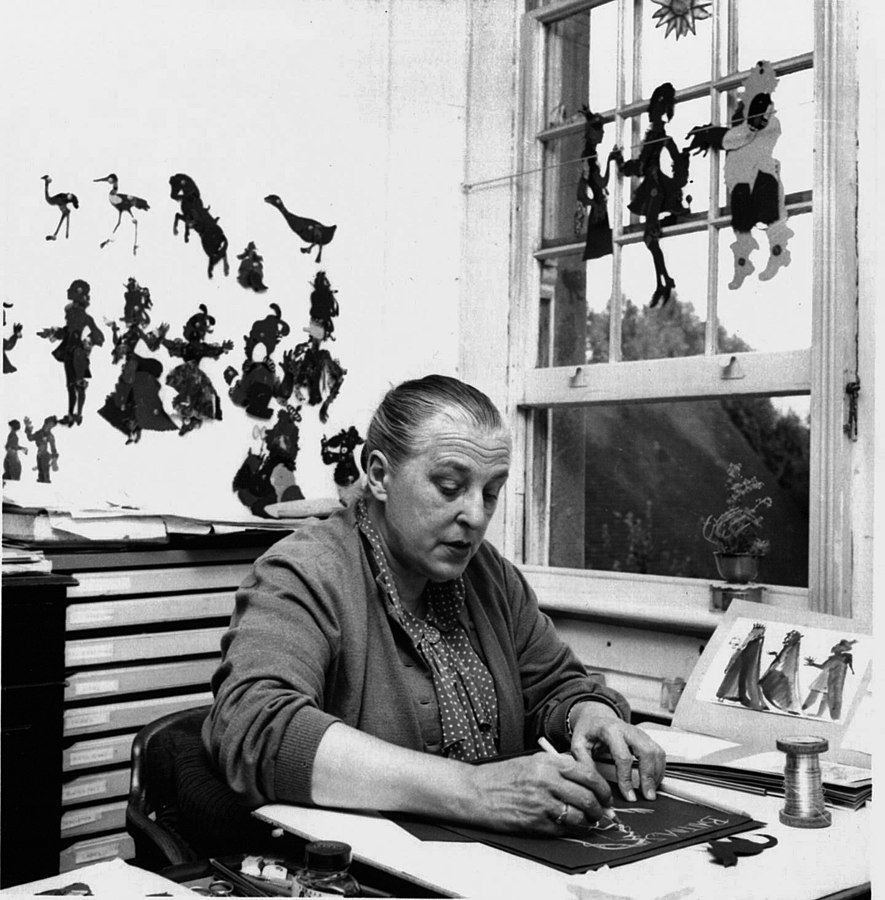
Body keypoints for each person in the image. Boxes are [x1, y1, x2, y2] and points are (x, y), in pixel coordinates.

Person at [205, 374, 665, 835]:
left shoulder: (489, 576)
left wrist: (588, 714)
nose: (477, 516)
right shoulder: (305, 572)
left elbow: (554, 685)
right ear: (380, 476)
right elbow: (256, 729)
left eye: (491, 492)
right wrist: (475, 790)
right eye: (449, 486)